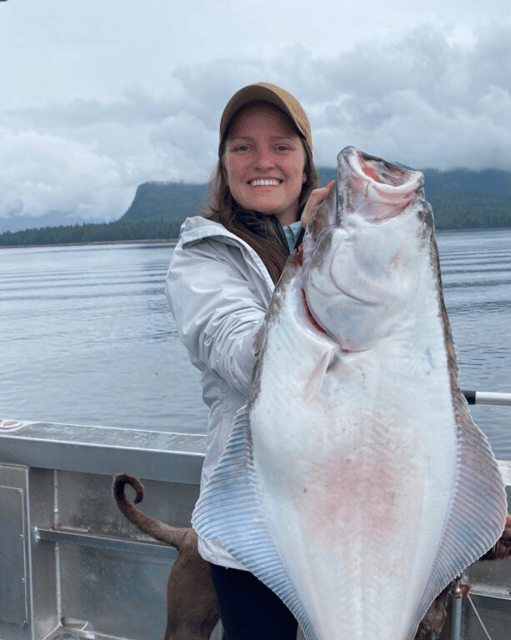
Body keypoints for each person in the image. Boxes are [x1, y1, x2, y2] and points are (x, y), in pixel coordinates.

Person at [165, 82, 332, 639]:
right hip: (252, 528)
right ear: (224, 163)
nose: (263, 161)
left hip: (345, 514)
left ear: (306, 163)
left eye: (282, 146)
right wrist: (313, 252)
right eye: (243, 147)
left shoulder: (335, 248)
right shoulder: (202, 257)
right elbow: (249, 362)